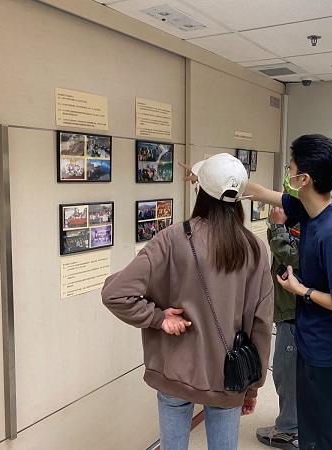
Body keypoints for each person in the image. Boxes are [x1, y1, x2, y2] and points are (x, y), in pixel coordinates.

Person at [183, 135, 332, 449]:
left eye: (291, 170)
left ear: (304, 179)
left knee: (326, 437)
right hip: (312, 340)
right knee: (309, 432)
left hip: (329, 351)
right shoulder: (311, 210)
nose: (287, 177)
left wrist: (301, 290)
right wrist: (205, 175)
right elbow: (259, 192)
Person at [103, 153, 274, 450]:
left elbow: (115, 292)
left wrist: (159, 318)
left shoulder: (171, 238)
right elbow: (261, 323)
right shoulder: (254, 249)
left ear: (200, 192)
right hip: (229, 375)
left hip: (174, 371)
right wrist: (253, 386)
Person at [256, 207, 301, 449]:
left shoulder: (312, 222)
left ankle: (288, 430)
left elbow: (292, 258)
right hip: (293, 309)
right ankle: (295, 422)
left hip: (294, 312)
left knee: (286, 373)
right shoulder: (311, 217)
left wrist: (278, 227)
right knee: (289, 371)